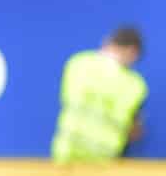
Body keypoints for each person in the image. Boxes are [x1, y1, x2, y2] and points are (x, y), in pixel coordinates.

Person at [52, 27, 147, 164]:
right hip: (104, 160)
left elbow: (66, 98)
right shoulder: (135, 85)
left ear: (108, 41)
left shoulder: (78, 63)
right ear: (133, 52)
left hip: (65, 154)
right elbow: (134, 131)